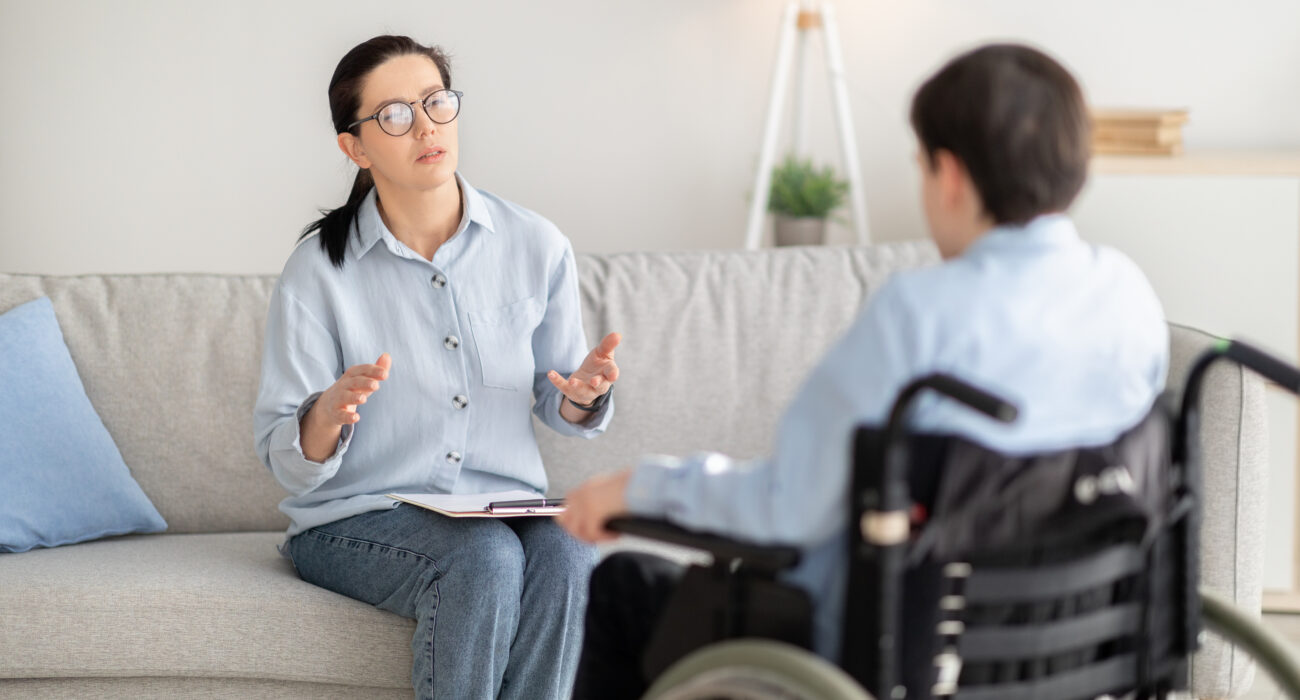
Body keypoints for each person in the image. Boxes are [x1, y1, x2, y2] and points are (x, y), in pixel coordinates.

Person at [559, 42, 1169, 699]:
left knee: (626, 587)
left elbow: (788, 509)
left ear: (952, 175)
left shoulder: (920, 313)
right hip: (1070, 657)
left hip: (885, 658)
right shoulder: (1129, 297)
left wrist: (636, 489)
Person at [252, 35, 618, 700]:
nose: (425, 126)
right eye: (394, 114)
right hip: (356, 517)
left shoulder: (536, 244)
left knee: (569, 551)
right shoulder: (318, 272)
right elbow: (285, 455)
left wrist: (582, 396)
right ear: (356, 147)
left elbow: (557, 394)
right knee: (482, 559)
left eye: (435, 102)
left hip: (501, 506)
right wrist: (325, 417)